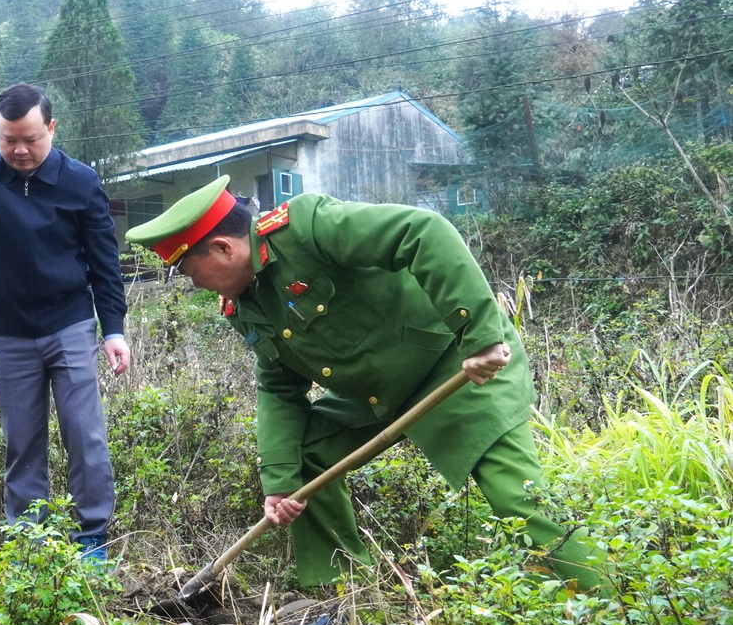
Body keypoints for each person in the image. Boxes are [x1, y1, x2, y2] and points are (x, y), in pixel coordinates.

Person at [125, 176, 598, 591]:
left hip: (459, 364)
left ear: (224, 249)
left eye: (191, 272)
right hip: (378, 394)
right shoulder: (243, 304)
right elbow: (279, 389)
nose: (195, 286)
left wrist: (479, 335)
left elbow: (422, 231)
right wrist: (280, 483)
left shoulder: (308, 227)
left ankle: (607, 610)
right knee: (304, 458)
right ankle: (345, 593)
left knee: (515, 496)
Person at [0, 82, 131, 559]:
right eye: (8, 139)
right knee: (21, 440)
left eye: (31, 139)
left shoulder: (81, 181)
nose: (19, 150)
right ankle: (29, 542)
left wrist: (114, 329)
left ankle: (92, 536)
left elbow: (105, 261)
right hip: (10, 331)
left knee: (84, 433)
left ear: (51, 129)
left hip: (70, 323)